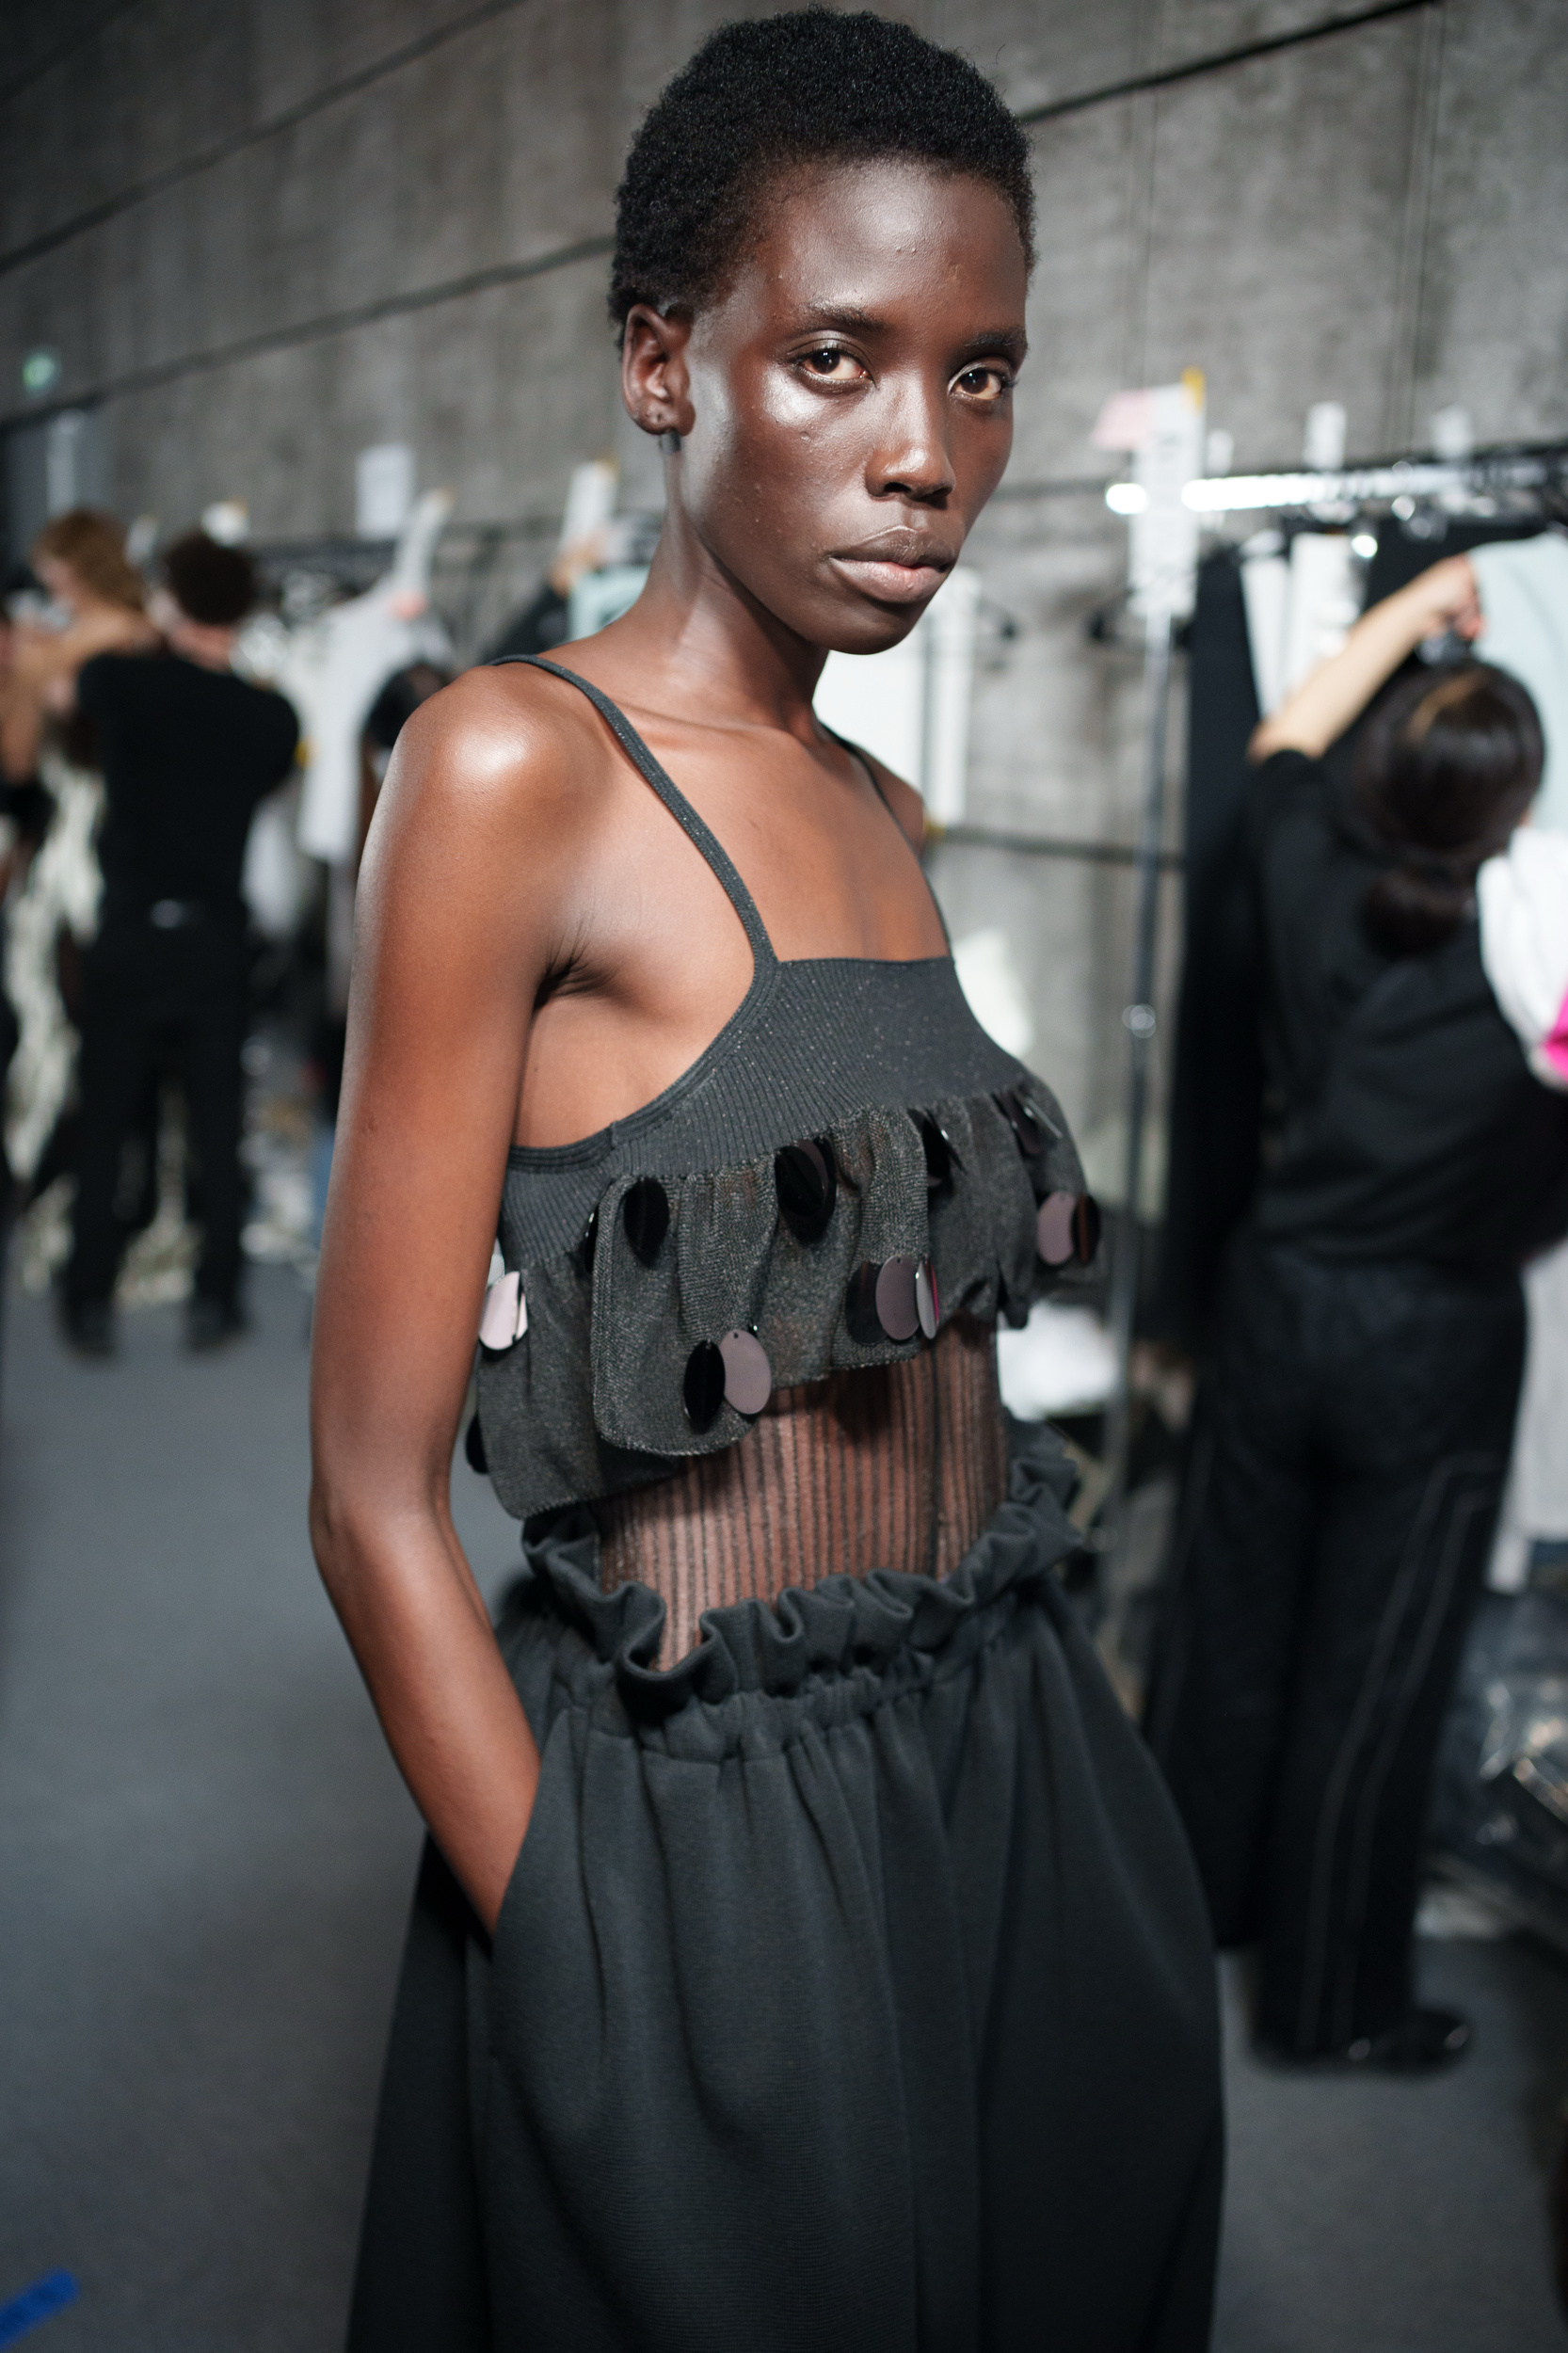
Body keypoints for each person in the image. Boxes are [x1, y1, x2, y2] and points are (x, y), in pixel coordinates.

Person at [311, 16, 1222, 2349]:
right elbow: (370, 1491)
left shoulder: (882, 810)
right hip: (706, 1823)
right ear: (661, 362)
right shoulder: (513, 765)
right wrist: (571, 1924)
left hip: (1009, 1741)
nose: (927, 454)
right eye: (837, 357)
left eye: (980, 375)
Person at [1145, 554, 1568, 2070]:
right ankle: (1332, 2007)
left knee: (1225, 1625)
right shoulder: (1541, 957)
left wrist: (1409, 608)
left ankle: (1182, 1917)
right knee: (1371, 1670)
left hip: (1275, 1302)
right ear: (1513, 808)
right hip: (1432, 1342)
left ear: (1379, 777)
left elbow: (1281, 744)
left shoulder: (1303, 866)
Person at [59, 531, 298, 1354]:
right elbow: (267, 774)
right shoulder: (270, 717)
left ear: (173, 602)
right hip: (214, 942)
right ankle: (216, 1299)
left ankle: (87, 1300)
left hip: (129, 934)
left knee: (106, 1124)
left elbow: (78, 687)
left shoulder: (123, 682)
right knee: (216, 1128)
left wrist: (146, 635)